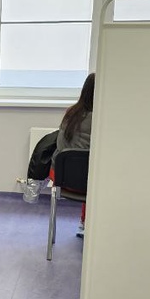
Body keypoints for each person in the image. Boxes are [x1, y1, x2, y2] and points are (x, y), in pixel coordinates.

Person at [52, 72, 95, 238]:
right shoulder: (101, 118)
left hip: (61, 177)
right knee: (94, 176)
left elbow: (60, 145)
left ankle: (84, 222)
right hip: (86, 182)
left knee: (86, 171)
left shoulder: (71, 112)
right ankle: (88, 223)